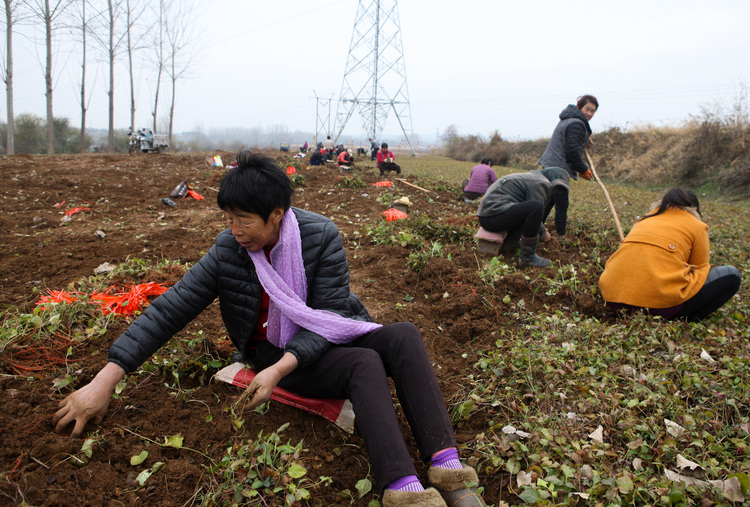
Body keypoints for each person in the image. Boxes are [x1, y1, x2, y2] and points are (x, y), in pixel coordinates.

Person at [52, 151, 487, 507]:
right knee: (364, 364)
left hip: (320, 337)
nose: (234, 231)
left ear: (277, 214)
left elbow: (332, 316)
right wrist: (104, 380)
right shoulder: (228, 251)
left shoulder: (320, 236)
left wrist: (279, 373)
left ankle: (447, 466)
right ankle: (402, 488)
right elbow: (171, 309)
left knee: (405, 333)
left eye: (244, 220)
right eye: (228, 218)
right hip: (273, 352)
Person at [599, 188, 741, 321]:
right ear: (694, 208)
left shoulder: (644, 220)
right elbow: (700, 268)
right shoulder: (697, 226)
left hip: (614, 301)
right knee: (732, 275)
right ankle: (686, 320)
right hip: (659, 309)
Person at [476, 168, 569, 267]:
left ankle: (510, 242)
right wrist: (543, 232)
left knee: (526, 209)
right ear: (551, 180)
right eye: (555, 189)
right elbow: (536, 210)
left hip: (488, 216)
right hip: (493, 215)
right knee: (536, 207)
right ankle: (528, 257)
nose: (554, 193)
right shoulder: (541, 182)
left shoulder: (531, 177)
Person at [538, 94, 599, 236]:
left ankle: (536, 226)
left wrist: (584, 140)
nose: (589, 113)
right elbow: (572, 151)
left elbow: (572, 141)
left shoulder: (570, 119)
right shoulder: (577, 124)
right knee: (561, 204)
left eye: (593, 111)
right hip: (558, 169)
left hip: (550, 165)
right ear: (579, 107)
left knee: (550, 200)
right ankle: (560, 235)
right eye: (587, 109)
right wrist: (583, 169)